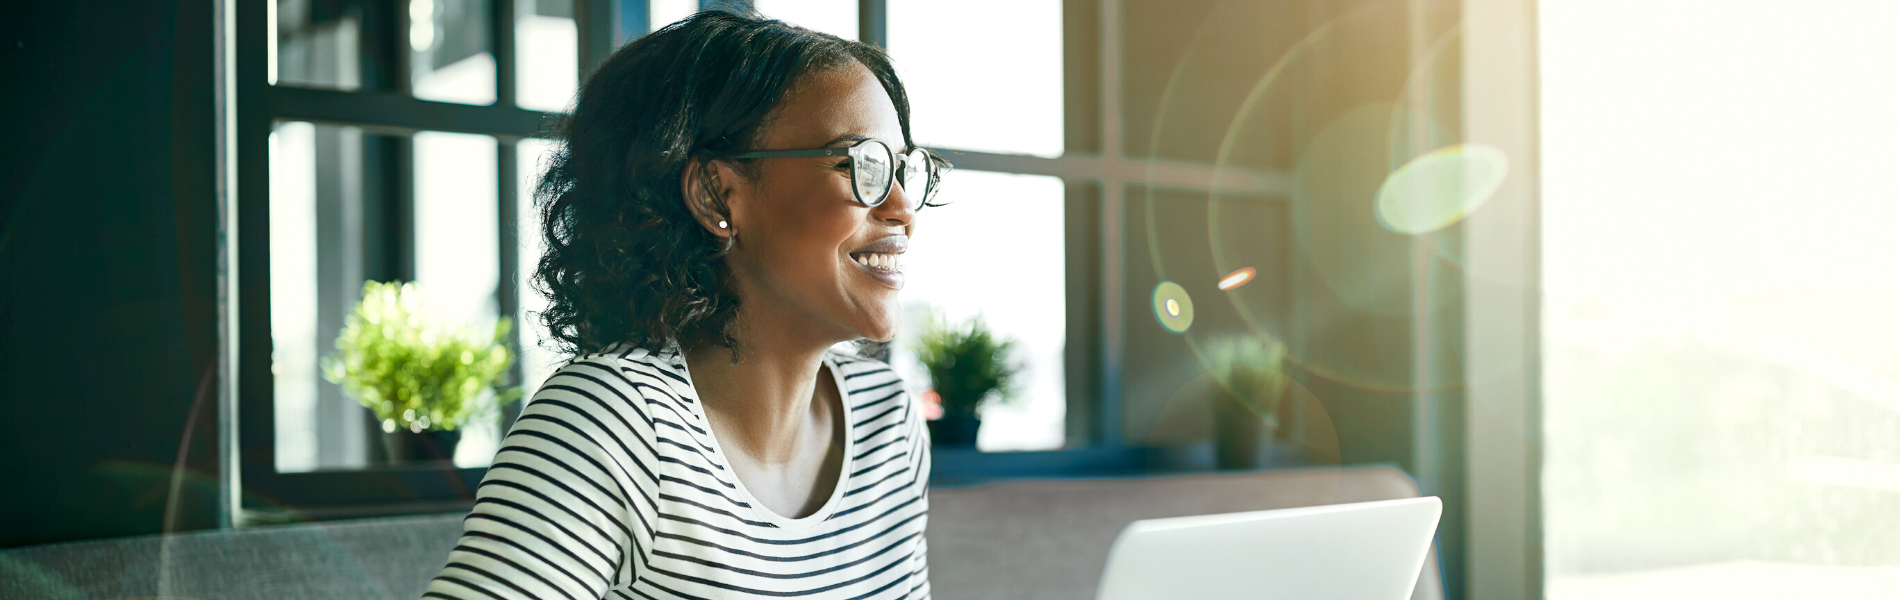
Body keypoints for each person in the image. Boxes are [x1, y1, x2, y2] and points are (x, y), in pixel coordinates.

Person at [423, 11, 947, 600]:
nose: (903, 206)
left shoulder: (887, 422)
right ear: (715, 192)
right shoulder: (612, 423)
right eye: (862, 164)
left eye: (903, 169)